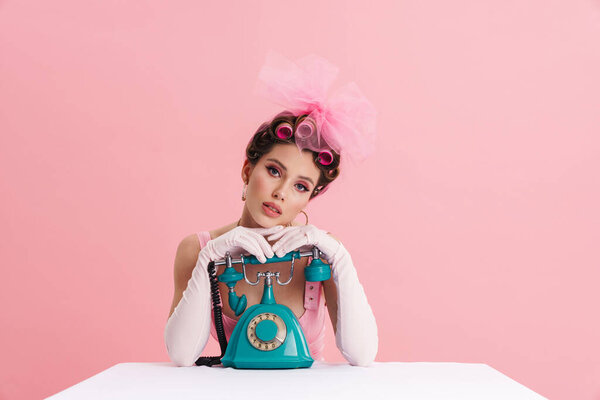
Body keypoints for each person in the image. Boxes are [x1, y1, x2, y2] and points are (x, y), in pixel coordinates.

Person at [164, 53, 379, 367]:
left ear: (309, 199)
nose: (280, 193)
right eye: (275, 171)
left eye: (301, 186)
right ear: (248, 171)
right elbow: (182, 356)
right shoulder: (196, 249)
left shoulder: (321, 253)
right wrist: (209, 258)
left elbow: (362, 355)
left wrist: (339, 257)